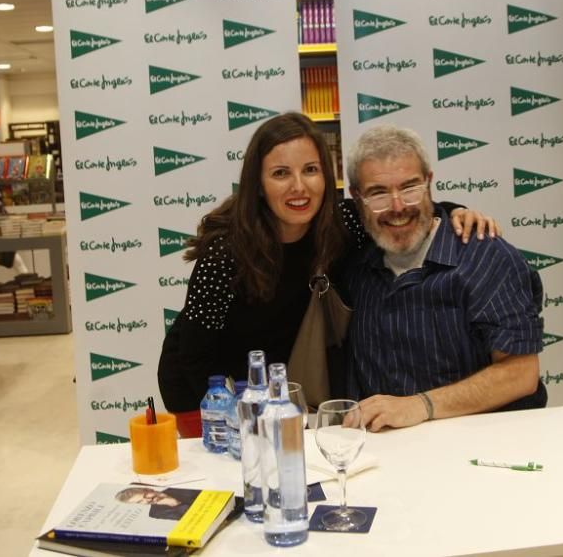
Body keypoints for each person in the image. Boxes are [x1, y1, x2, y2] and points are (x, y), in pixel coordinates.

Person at [157, 113, 498, 436]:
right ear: (258, 184)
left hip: (291, 385)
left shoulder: (342, 223)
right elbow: (194, 357)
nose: (299, 187)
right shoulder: (225, 252)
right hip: (206, 388)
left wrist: (457, 213)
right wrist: (227, 425)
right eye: (280, 174)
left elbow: (403, 212)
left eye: (310, 170)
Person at [342, 125, 547, 432]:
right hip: (381, 453)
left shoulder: (484, 258)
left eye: (410, 188)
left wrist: (420, 406)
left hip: (482, 450)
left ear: (429, 182)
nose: (398, 207)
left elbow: (521, 373)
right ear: (357, 198)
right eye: (378, 193)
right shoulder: (355, 263)